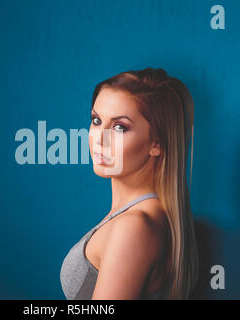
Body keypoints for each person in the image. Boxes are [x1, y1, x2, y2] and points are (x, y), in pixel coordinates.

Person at [60, 67, 198, 299]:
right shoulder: (135, 215)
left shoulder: (134, 226)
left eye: (119, 127)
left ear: (157, 143)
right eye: (96, 120)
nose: (99, 139)